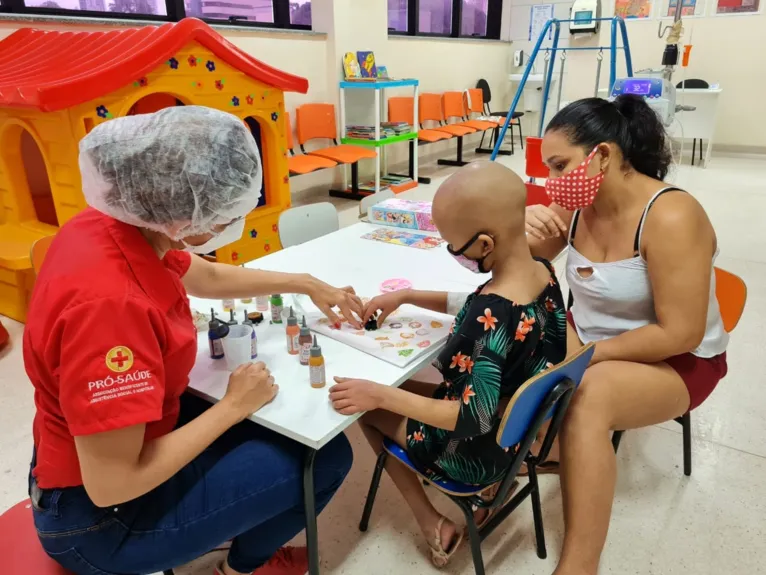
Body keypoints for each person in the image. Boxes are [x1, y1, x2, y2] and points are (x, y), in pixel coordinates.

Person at [23, 107, 362, 575]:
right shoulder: (111, 309)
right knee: (324, 460)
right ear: (183, 217)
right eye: (224, 215)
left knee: (287, 425)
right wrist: (231, 407)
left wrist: (306, 282)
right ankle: (242, 567)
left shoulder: (118, 223)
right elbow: (111, 483)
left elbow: (207, 275)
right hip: (98, 523)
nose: (228, 223)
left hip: (113, 453)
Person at [525, 95, 728, 575]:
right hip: (597, 342)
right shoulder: (577, 201)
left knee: (589, 397)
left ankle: (579, 565)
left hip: (681, 358)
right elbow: (521, 262)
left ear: (602, 156)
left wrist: (587, 356)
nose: (552, 183)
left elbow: (681, 331)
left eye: (559, 166)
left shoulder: (670, 216)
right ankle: (512, 456)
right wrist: (521, 225)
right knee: (511, 335)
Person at [328, 162, 568, 567]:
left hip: (477, 448)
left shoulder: (491, 312)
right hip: (517, 434)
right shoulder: (541, 273)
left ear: (485, 244)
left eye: (454, 245)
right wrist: (407, 295)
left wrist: (379, 394)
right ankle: (490, 491)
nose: (453, 253)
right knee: (390, 396)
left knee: (367, 410)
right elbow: (479, 307)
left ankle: (432, 522)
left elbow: (471, 418)